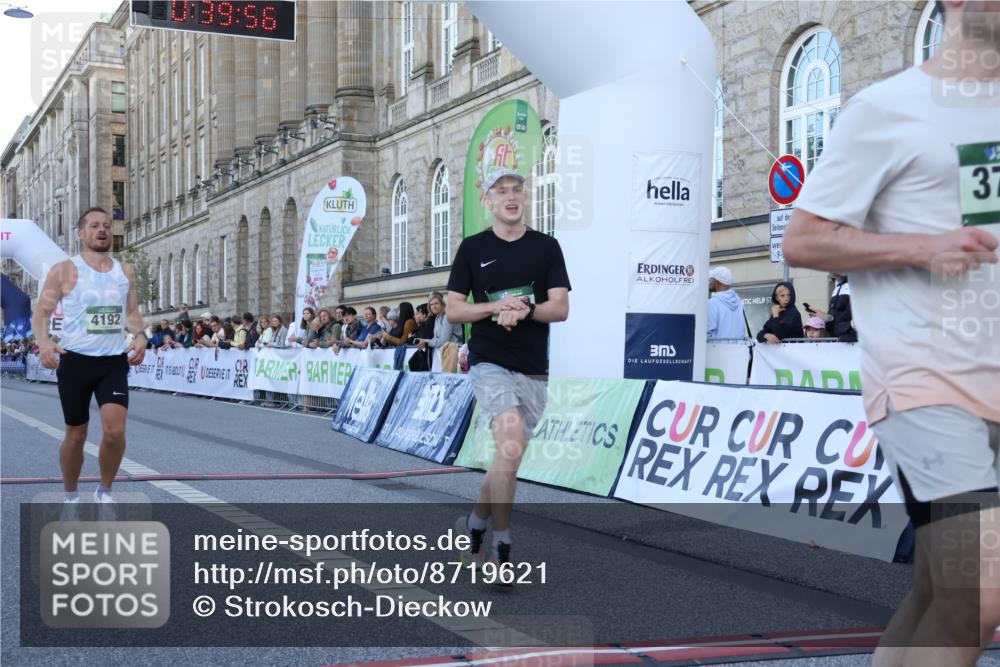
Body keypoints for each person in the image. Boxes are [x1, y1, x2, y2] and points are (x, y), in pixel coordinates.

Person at [782, 1, 999, 662]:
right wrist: (921, 247)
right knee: (979, 591)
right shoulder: (887, 107)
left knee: (941, 591)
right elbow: (804, 239)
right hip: (923, 379)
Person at [446, 168, 571, 575]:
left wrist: (526, 310)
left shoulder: (547, 246)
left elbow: (560, 308)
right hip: (489, 361)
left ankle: (474, 523)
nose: (511, 197)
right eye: (502, 191)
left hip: (533, 367)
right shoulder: (472, 248)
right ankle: (502, 545)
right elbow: (454, 310)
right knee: (512, 444)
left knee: (508, 455)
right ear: (488, 201)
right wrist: (495, 307)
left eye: (517, 190)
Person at [31, 207, 148, 519]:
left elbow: (132, 313)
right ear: (81, 233)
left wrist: (140, 335)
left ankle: (104, 491)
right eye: (95, 225)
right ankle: (71, 495)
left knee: (114, 431)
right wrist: (44, 341)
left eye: (107, 225)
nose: (102, 230)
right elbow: (41, 313)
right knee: (76, 434)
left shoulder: (125, 271)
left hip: (112, 362)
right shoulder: (65, 270)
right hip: (75, 362)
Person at [418, 291, 464, 372]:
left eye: (436, 303)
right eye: (431, 305)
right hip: (443, 352)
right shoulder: (438, 317)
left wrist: (426, 342)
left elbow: (443, 341)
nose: (434, 307)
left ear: (442, 304)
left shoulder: (447, 316)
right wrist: (424, 341)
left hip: (453, 353)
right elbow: (436, 338)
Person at [805, 275, 857, 342]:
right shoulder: (838, 285)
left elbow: (847, 320)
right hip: (838, 339)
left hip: (850, 341)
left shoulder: (860, 284)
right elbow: (837, 319)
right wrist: (826, 317)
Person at [706, 266, 748, 341]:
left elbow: (708, 334)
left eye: (711, 280)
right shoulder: (739, 302)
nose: (709, 282)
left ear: (716, 283)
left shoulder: (712, 303)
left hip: (718, 347)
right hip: (739, 347)